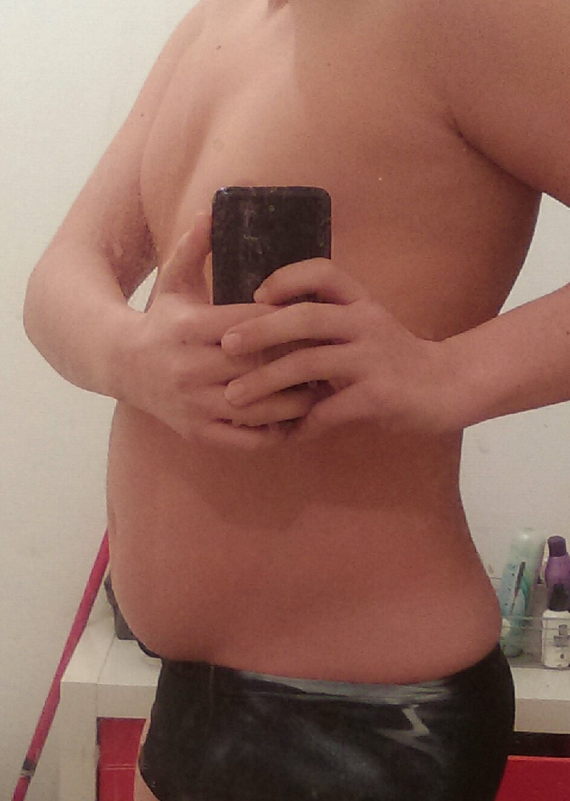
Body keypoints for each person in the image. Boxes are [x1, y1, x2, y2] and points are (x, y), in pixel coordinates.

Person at [22, 0, 570, 798]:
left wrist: (448, 375)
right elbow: (60, 275)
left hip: (366, 720)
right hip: (188, 694)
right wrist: (130, 355)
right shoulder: (220, 21)